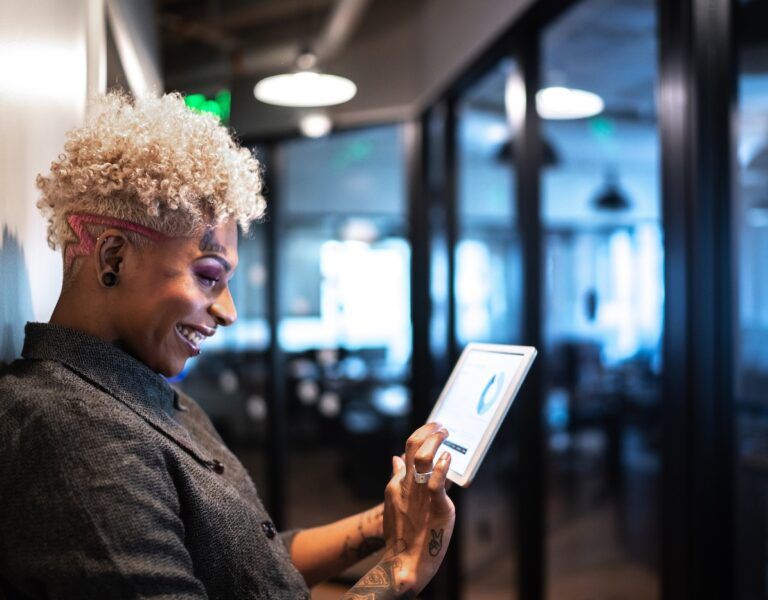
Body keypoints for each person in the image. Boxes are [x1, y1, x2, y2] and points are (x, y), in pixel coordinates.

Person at [0, 92, 454, 599]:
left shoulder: (149, 394)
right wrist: (400, 573)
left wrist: (383, 523)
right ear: (113, 257)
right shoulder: (69, 430)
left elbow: (252, 569)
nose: (229, 311)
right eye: (209, 276)